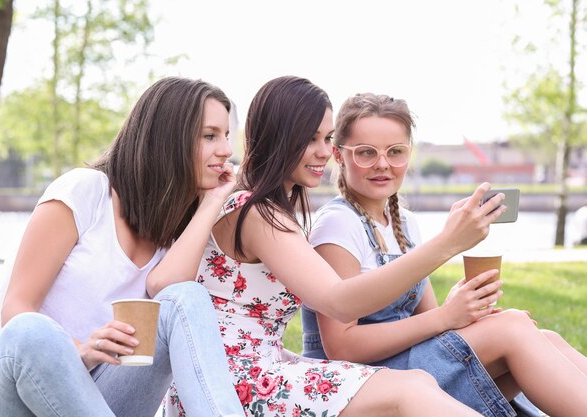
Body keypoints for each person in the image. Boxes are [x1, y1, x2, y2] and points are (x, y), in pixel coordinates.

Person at [156, 75, 509, 417]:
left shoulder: (260, 208)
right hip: (230, 386)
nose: (324, 152)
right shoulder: (255, 211)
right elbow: (340, 302)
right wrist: (446, 244)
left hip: (256, 371)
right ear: (280, 138)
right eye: (311, 139)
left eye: (328, 138)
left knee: (416, 382)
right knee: (410, 390)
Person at [0, 76, 244, 417]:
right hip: (2, 393)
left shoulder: (178, 231)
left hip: (92, 397)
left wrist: (213, 200)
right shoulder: (85, 192)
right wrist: (80, 350)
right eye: (210, 135)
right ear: (168, 139)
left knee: (187, 298)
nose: (227, 150)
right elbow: (16, 308)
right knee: (32, 330)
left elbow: (166, 291)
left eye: (226, 136)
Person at [302, 92, 587, 417]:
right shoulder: (338, 223)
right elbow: (342, 346)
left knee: (538, 334)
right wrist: (446, 316)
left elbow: (429, 322)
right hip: (351, 382)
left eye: (395, 152)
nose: (383, 164)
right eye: (366, 152)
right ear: (339, 155)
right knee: (512, 328)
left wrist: (460, 310)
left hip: (402, 365)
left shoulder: (403, 223)